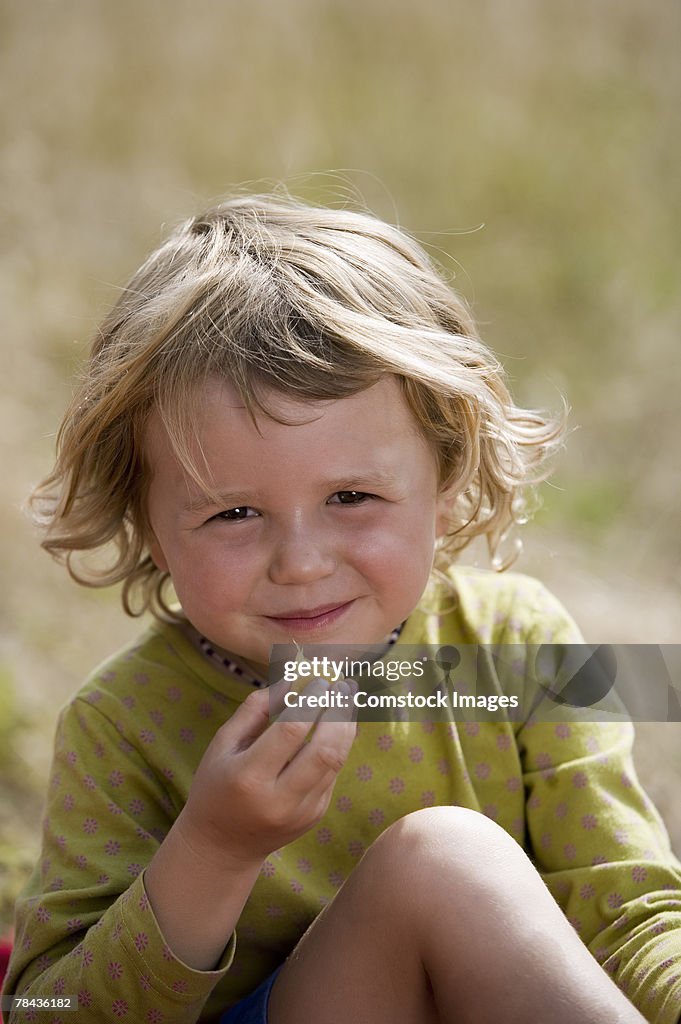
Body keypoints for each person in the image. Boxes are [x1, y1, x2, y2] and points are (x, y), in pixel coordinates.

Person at [3, 193, 680, 1024]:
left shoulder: (517, 646)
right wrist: (213, 850)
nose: (302, 562)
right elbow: (48, 1009)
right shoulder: (121, 724)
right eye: (232, 513)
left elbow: (627, 916)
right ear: (147, 522)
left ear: (445, 473)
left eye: (352, 496)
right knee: (441, 860)